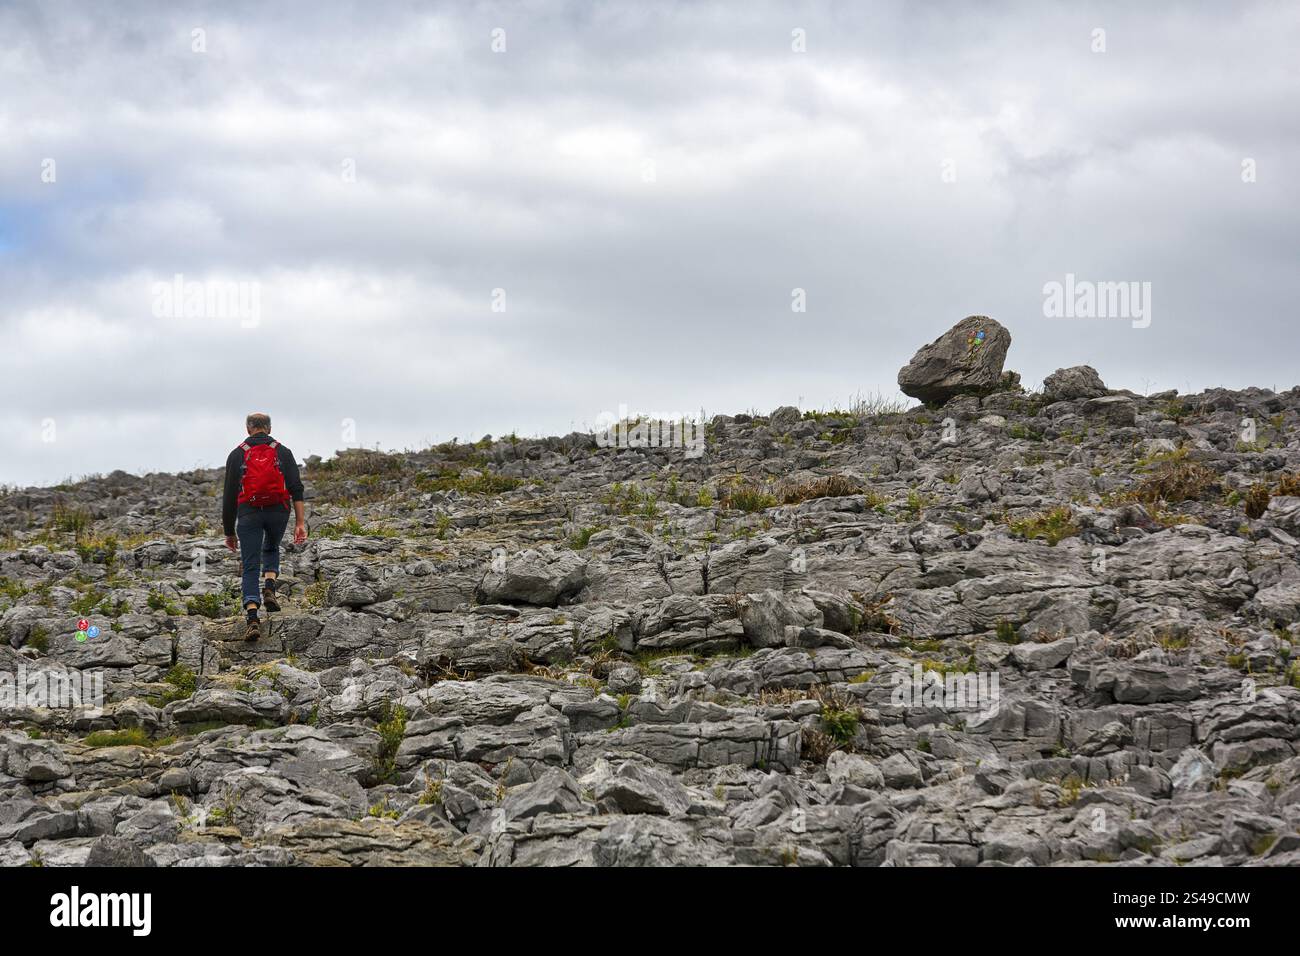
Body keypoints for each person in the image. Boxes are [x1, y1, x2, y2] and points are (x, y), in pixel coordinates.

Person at [222, 413, 307, 640]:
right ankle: (269, 586)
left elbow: (229, 496)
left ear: (248, 428)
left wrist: (229, 531)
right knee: (271, 548)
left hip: (249, 513)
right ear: (268, 428)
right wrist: (300, 522)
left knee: (250, 565)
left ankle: (252, 618)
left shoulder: (237, 453)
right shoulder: (282, 451)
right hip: (278, 511)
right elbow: (296, 488)